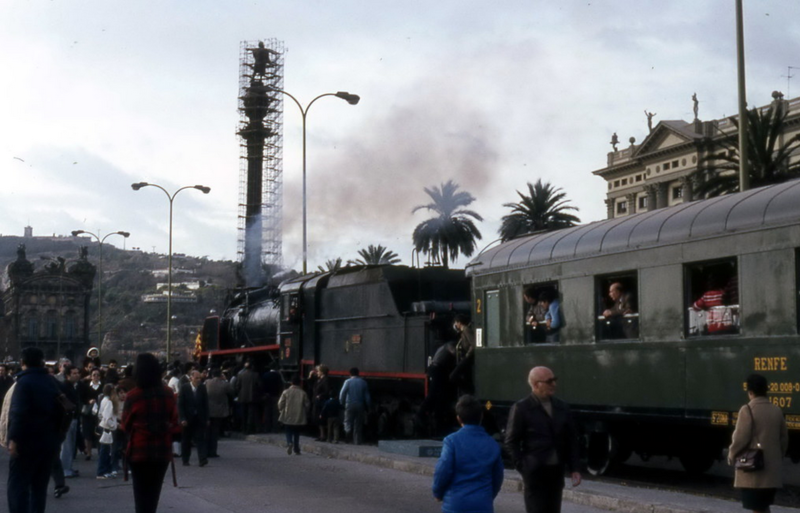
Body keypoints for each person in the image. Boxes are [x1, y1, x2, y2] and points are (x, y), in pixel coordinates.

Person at [505, 366, 581, 513]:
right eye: (549, 381)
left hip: (556, 472)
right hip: (534, 472)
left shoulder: (562, 407)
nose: (554, 384)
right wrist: (524, 467)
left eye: (554, 380)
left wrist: (575, 468)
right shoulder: (521, 408)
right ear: (535, 384)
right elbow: (510, 441)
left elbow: (571, 439)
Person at [121, 353, 180, 513]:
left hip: (139, 451)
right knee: (153, 495)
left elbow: (125, 424)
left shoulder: (133, 396)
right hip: (162, 451)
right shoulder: (168, 394)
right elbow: (175, 421)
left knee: (140, 496)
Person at [7, 347, 63, 513]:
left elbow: (18, 414)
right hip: (47, 442)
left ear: (23, 363)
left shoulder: (23, 383)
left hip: (26, 442)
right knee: (39, 488)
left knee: (17, 486)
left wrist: (13, 439)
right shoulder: (51, 381)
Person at [432, 395, 504, 513]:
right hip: (482, 505)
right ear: (481, 417)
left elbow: (442, 471)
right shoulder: (493, 444)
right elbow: (497, 477)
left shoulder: (451, 441)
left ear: (459, 419)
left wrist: (437, 493)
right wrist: (488, 497)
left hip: (455, 505)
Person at [728, 374, 789, 513]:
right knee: (763, 507)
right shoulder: (776, 410)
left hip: (754, 470)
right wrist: (777, 457)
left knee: (757, 508)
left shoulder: (747, 410)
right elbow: (784, 439)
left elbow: (740, 439)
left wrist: (731, 455)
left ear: (750, 392)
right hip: (772, 472)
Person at [178, 370, 210, 467]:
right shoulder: (184, 388)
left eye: (199, 378)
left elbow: (206, 404)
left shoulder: (202, 388)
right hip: (187, 419)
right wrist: (182, 418)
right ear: (191, 378)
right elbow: (180, 405)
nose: (198, 380)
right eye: (196, 378)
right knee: (186, 440)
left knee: (200, 439)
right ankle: (185, 459)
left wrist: (207, 418)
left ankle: (202, 459)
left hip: (199, 418)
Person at [205, 368, 234, 458]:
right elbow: (232, 392)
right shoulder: (225, 384)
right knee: (215, 432)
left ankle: (206, 450)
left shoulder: (207, 383)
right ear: (221, 375)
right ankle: (213, 451)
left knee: (207, 432)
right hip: (219, 411)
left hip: (208, 410)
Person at [278, 375, 309, 455]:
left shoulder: (286, 392)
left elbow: (280, 404)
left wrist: (281, 410)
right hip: (299, 416)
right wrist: (305, 412)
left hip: (288, 415)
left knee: (288, 430)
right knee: (296, 433)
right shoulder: (303, 393)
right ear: (299, 383)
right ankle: (296, 449)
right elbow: (307, 405)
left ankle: (289, 442)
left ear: (291, 383)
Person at [60, 365, 82, 478]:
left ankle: (68, 467)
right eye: (74, 373)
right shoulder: (65, 387)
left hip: (73, 418)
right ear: (68, 375)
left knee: (71, 445)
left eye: (78, 372)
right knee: (67, 445)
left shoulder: (74, 386)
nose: (77, 375)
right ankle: (64, 469)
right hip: (68, 419)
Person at [339, 367, 371, 445]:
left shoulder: (347, 382)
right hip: (360, 405)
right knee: (358, 423)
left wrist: (341, 403)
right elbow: (367, 397)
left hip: (349, 404)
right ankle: (357, 441)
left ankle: (347, 436)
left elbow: (342, 393)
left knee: (347, 421)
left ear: (350, 374)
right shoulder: (363, 382)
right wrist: (369, 406)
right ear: (358, 373)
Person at [96, 384, 121, 479]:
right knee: (106, 451)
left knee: (104, 450)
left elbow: (101, 415)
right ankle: (102, 471)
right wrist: (114, 425)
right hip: (107, 428)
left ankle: (104, 470)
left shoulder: (103, 400)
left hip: (103, 426)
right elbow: (107, 418)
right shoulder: (110, 402)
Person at [79, 367, 103, 460]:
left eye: (98, 375)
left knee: (99, 433)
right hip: (88, 412)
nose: (96, 376)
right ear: (91, 376)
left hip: (100, 412)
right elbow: (82, 398)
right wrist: (88, 401)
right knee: (87, 433)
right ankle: (88, 452)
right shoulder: (86, 386)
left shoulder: (103, 386)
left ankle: (101, 452)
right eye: (94, 375)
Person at [235, 359, 263, 434]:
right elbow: (260, 386)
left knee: (244, 413)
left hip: (242, 397)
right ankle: (249, 429)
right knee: (251, 414)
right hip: (252, 397)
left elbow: (237, 386)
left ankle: (243, 428)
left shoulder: (240, 375)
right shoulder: (256, 375)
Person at [450, 315, 476, 395]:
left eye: (455, 323)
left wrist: (468, 355)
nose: (455, 325)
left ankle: (469, 390)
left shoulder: (466, 330)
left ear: (459, 323)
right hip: (467, 357)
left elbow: (473, 343)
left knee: (453, 376)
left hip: (468, 357)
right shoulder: (463, 331)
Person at [312, 365, 331, 441]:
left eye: (318, 371)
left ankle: (323, 435)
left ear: (322, 372)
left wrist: (320, 395)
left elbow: (326, 391)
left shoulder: (326, 380)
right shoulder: (319, 380)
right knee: (318, 419)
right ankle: (321, 435)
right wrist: (310, 377)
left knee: (321, 419)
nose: (317, 372)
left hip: (321, 402)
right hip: (317, 401)